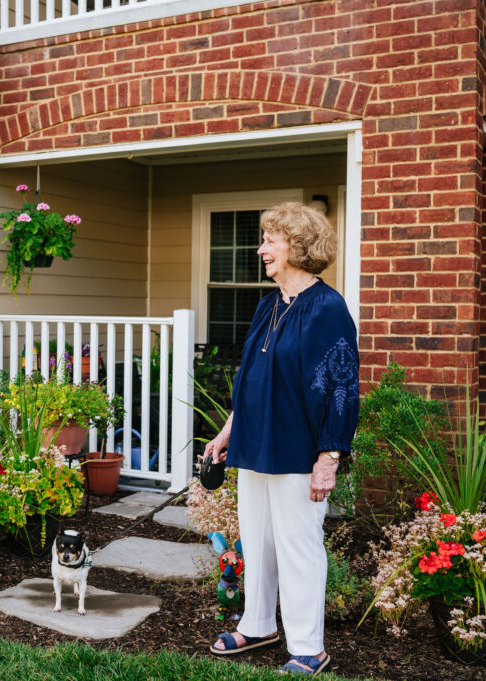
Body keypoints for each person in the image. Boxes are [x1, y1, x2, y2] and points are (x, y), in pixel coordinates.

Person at [205, 202, 359, 676]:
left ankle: (309, 646)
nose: (261, 249)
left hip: (298, 449)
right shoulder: (269, 304)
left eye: (270, 240)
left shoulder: (327, 308)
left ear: (298, 246)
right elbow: (252, 376)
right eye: (264, 240)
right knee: (259, 539)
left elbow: (342, 388)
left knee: (298, 544)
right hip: (256, 443)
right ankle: (257, 625)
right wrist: (228, 431)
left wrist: (329, 456)